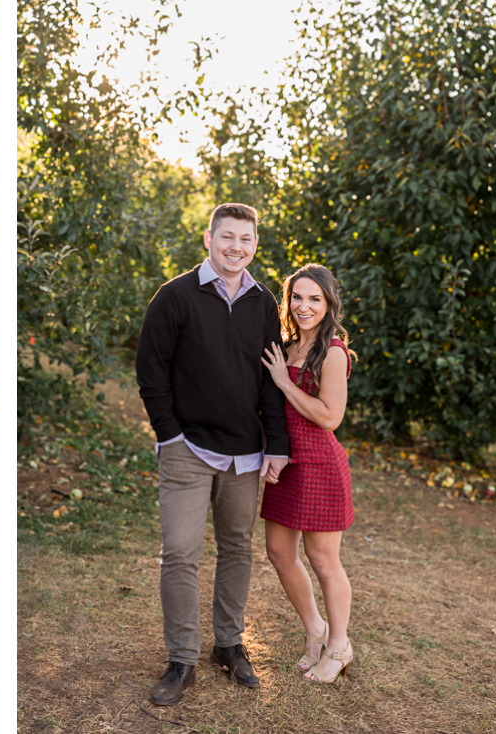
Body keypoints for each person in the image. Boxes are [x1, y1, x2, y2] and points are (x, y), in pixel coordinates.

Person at [135, 203, 291, 706]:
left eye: (246, 240)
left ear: (254, 246)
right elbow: (151, 370)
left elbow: (272, 380)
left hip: (246, 454)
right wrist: (169, 434)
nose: (235, 247)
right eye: (227, 237)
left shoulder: (264, 304)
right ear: (208, 238)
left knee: (238, 549)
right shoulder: (175, 296)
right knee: (180, 553)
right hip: (188, 448)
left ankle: (229, 645)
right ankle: (181, 659)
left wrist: (277, 443)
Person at [260, 263, 357, 683]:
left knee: (323, 559)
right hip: (287, 461)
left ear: (328, 302)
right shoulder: (286, 344)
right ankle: (315, 629)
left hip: (319, 462)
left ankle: (339, 646)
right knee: (280, 553)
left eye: (314, 298)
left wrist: (284, 383)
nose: (304, 306)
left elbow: (330, 417)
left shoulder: (332, 352)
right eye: (297, 297)